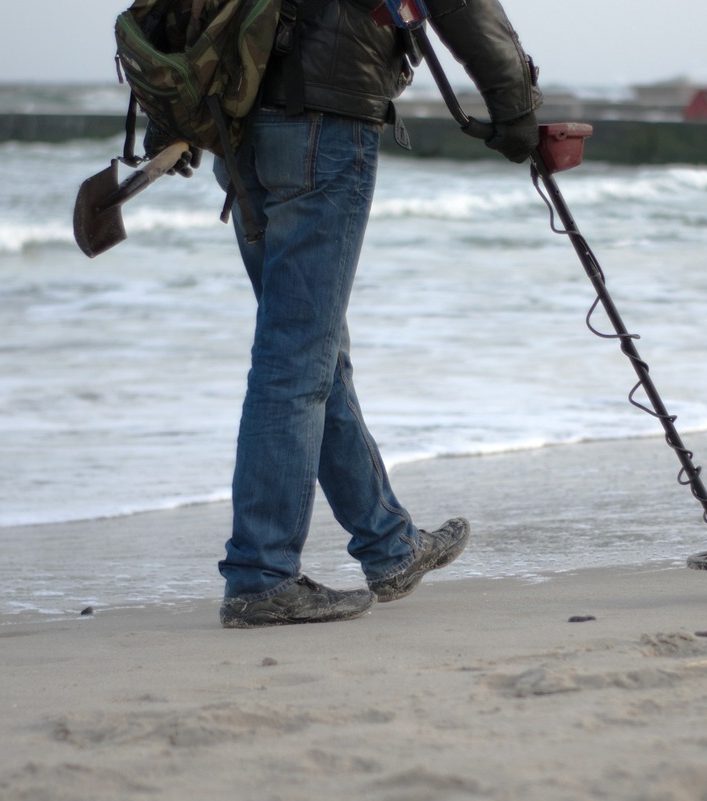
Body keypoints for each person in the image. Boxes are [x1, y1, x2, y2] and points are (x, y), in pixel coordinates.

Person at [174, 0, 542, 627]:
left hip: (235, 126)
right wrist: (517, 109)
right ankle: (261, 577)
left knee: (312, 351)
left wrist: (173, 117)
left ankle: (388, 545)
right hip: (324, 121)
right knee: (296, 358)